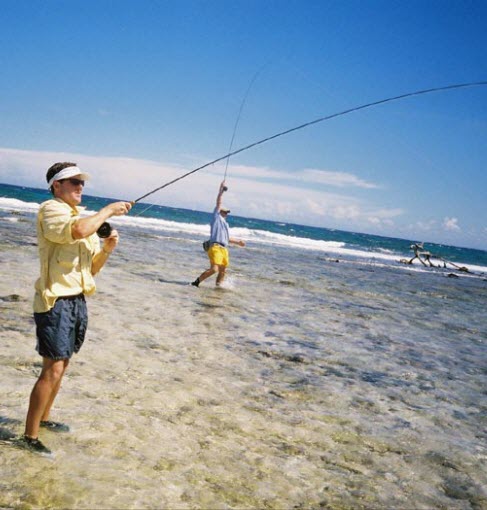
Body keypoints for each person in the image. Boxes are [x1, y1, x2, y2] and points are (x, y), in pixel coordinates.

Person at [20, 162, 132, 455]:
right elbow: (79, 229)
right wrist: (107, 211)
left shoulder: (86, 222)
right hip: (54, 300)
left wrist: (106, 249)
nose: (80, 186)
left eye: (82, 182)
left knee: (63, 365)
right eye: (73, 182)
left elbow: (91, 271)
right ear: (57, 186)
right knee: (52, 368)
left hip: (77, 301)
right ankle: (29, 436)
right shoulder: (51, 209)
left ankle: (44, 419)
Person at [191, 180, 245, 288]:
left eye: (227, 212)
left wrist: (238, 242)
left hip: (224, 249)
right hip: (215, 247)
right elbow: (218, 203)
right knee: (214, 269)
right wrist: (221, 191)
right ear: (219, 211)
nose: (226, 214)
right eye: (224, 212)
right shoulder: (216, 218)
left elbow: (227, 238)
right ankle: (196, 282)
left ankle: (218, 287)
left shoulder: (225, 224)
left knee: (223, 271)